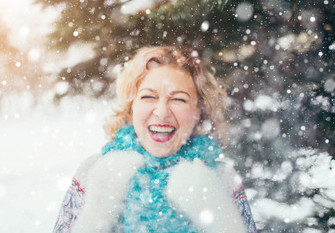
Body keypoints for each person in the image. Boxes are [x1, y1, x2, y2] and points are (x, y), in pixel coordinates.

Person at [53, 46, 257, 233]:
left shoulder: (221, 178)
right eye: (148, 97)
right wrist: (95, 217)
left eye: (178, 99)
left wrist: (219, 218)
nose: (161, 112)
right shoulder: (94, 171)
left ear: (199, 113)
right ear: (131, 107)